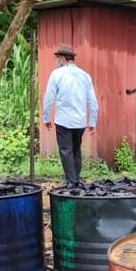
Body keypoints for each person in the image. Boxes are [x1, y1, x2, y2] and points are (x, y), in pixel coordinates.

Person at [41, 44, 98, 184]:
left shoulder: (56, 74)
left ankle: (71, 182)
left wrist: (46, 117)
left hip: (63, 120)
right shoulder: (85, 75)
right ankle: (75, 179)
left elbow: (49, 98)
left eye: (57, 58)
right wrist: (92, 122)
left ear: (62, 59)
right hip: (80, 121)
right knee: (76, 149)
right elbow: (93, 101)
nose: (57, 61)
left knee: (66, 150)